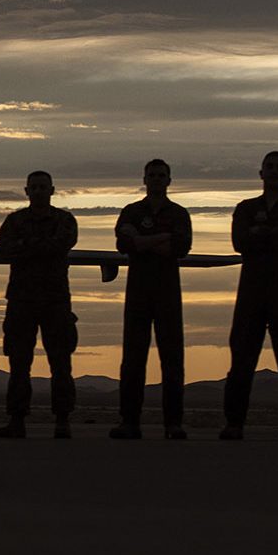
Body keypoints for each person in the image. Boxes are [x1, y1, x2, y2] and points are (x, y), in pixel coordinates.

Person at [221, 152, 278, 441]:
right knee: (242, 360)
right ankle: (234, 423)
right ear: (261, 173)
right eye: (270, 167)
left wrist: (261, 233)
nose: (274, 172)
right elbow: (240, 242)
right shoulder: (245, 208)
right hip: (251, 293)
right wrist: (274, 234)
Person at [110, 159, 193, 440]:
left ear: (169, 180)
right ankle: (129, 421)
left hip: (168, 292)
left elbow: (179, 247)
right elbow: (124, 245)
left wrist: (143, 240)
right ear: (144, 179)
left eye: (161, 175)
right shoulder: (132, 211)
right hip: (138, 292)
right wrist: (161, 239)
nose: (157, 179)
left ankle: (173, 423)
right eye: (152, 175)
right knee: (133, 358)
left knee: (172, 359)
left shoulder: (179, 213)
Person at [0, 171, 79, 439]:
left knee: (61, 363)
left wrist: (28, 246)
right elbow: (5, 248)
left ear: (52, 190)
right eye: (34, 187)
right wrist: (42, 246)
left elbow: (62, 244)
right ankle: (17, 419)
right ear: (26, 190)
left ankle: (63, 420)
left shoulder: (65, 220)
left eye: (43, 187)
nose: (39, 191)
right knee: (19, 363)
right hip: (22, 300)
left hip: (55, 300)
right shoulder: (14, 220)